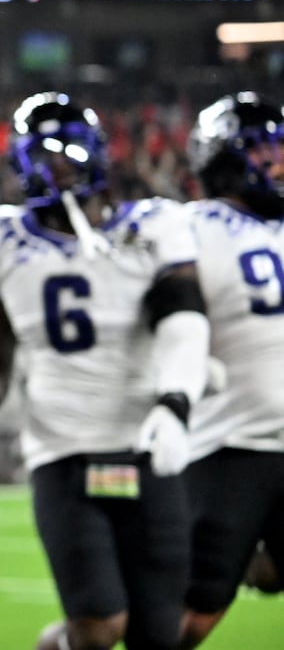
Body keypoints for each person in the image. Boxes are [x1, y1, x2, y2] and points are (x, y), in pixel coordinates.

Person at [0, 92, 207, 650]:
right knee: (97, 630)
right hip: (62, 451)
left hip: (149, 444)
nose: (59, 165)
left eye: (68, 149)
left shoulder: (153, 224)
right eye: (43, 154)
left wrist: (176, 403)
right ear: (20, 162)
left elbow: (183, 320)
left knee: (159, 634)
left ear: (97, 152)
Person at [179, 92, 284, 647]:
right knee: (190, 617)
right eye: (263, 152)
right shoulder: (191, 226)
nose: (278, 162)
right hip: (230, 442)